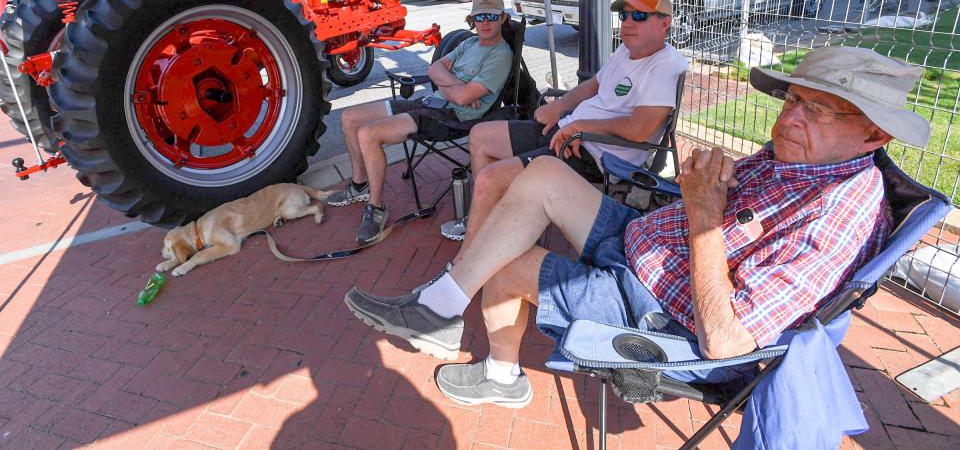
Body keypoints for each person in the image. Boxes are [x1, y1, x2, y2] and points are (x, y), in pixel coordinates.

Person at [343, 46, 930, 408]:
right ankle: (445, 307)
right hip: (649, 241)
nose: (789, 118)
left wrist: (702, 209)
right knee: (542, 173)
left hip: (657, 306)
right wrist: (708, 189)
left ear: (877, 134)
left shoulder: (839, 213)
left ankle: (497, 373)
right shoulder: (799, 158)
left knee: (508, 261)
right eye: (793, 100)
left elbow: (725, 341)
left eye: (818, 110)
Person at [438, 0, 687, 244]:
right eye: (624, 15)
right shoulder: (625, 50)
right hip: (569, 131)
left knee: (491, 179)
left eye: (639, 16)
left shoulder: (665, 66)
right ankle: (489, 223)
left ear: (664, 24)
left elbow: (640, 129)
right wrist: (560, 107)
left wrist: (580, 126)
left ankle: (473, 250)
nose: (627, 23)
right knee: (480, 135)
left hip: (596, 154)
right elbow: (594, 85)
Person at [327, 0, 513, 243]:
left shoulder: (500, 54)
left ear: (502, 17)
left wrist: (449, 86)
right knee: (350, 117)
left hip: (450, 117)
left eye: (492, 16)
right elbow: (433, 69)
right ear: (473, 19)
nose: (486, 22)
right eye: (480, 16)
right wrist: (455, 84)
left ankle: (377, 207)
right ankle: (359, 185)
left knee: (368, 134)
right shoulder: (469, 43)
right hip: (429, 102)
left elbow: (461, 100)